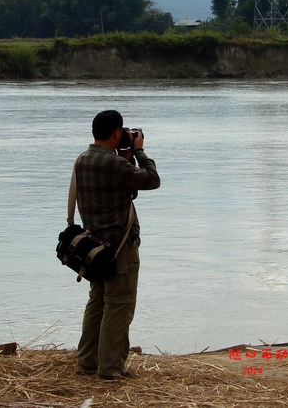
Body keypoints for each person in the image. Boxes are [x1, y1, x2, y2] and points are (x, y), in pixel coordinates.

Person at [71, 109, 160, 380]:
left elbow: (116, 187)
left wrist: (124, 159)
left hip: (95, 248)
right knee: (119, 306)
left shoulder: (83, 160)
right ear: (116, 133)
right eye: (123, 132)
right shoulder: (113, 165)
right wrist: (140, 152)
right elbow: (152, 180)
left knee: (97, 303)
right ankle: (110, 369)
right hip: (120, 248)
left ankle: (87, 361)